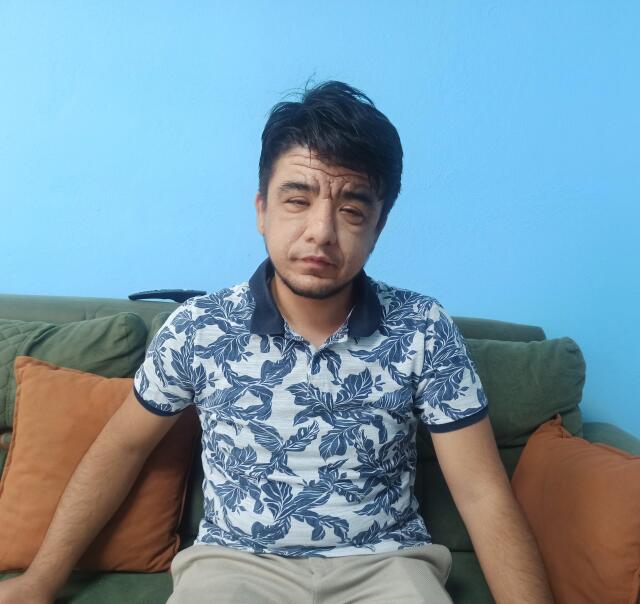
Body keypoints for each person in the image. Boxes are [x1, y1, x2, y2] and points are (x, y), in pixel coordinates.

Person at [0, 81, 553, 604]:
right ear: (262, 210)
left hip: (386, 566)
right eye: (297, 200)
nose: (321, 232)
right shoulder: (199, 329)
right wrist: (41, 580)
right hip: (233, 566)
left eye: (352, 209)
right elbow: (120, 449)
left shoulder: (423, 328)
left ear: (378, 227)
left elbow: (482, 493)